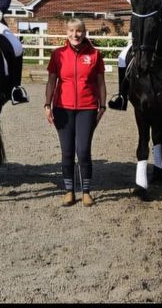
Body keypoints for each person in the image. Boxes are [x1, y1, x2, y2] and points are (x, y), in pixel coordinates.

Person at [44, 18, 106, 207]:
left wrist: (102, 106)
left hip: (87, 108)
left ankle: (86, 191)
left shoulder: (95, 55)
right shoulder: (58, 55)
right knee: (67, 151)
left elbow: (101, 83)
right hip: (63, 108)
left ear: (84, 32)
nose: (75, 35)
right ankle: (69, 191)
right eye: (71, 31)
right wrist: (47, 104)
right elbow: (51, 81)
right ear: (67, 33)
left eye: (78, 31)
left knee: (84, 150)